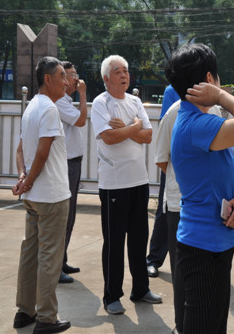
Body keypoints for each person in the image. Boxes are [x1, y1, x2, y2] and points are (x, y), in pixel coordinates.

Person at [166, 43, 234, 334]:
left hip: (216, 242)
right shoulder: (196, 124)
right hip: (203, 246)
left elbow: (222, 181)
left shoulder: (205, 123)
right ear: (210, 79)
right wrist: (221, 96)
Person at [91, 55, 162, 315]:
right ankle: (112, 295)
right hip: (114, 183)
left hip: (138, 180)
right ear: (106, 78)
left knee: (139, 238)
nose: (124, 75)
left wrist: (128, 129)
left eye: (126, 71)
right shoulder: (101, 103)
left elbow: (149, 135)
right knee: (114, 241)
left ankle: (140, 289)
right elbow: (109, 137)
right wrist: (134, 128)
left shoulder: (134, 101)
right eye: (117, 71)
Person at [12, 56, 72, 334]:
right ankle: (47, 318)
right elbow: (42, 153)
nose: (66, 81)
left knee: (30, 253)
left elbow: (20, 150)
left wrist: (22, 179)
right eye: (62, 76)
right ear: (48, 79)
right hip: (51, 196)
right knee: (49, 257)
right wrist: (28, 181)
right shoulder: (48, 108)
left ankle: (25, 311)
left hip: (34, 196)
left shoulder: (31, 108)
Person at [55, 61, 87, 284]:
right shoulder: (60, 102)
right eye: (71, 75)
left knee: (70, 215)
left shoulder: (66, 101)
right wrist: (83, 95)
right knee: (64, 217)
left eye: (76, 74)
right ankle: (56, 266)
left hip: (73, 163)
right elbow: (81, 120)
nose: (76, 79)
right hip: (66, 164)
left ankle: (61, 259)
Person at [147, 84, 180, 278]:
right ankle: (153, 259)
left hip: (199, 169)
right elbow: (165, 128)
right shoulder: (172, 91)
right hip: (175, 165)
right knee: (165, 211)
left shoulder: (210, 94)